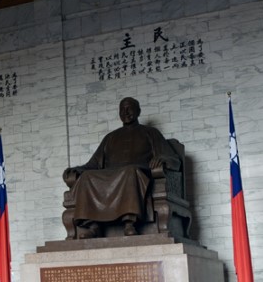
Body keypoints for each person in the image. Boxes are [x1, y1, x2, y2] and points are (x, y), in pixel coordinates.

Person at [64, 97, 181, 238]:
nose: (125, 112)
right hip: (111, 174)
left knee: (130, 171)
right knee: (87, 176)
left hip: (137, 172)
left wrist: (162, 158)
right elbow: (93, 164)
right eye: (122, 109)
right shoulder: (110, 137)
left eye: (129, 108)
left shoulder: (150, 132)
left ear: (138, 111)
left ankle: (129, 223)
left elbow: (174, 160)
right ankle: (94, 226)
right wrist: (78, 169)